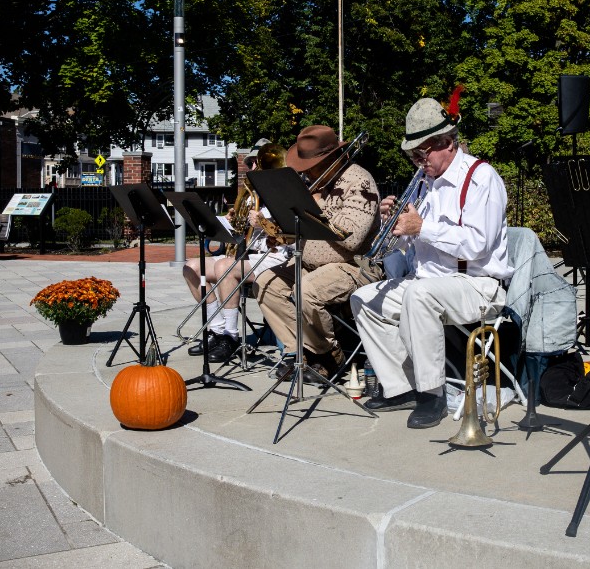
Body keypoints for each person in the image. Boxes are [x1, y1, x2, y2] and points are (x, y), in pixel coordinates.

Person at [350, 96, 512, 429]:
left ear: (447, 143)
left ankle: (432, 393)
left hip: (477, 284)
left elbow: (478, 245)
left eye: (421, 154)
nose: (417, 162)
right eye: (412, 155)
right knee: (364, 300)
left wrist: (422, 227)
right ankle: (402, 387)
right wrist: (394, 224)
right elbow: (410, 244)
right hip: (428, 282)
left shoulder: (481, 178)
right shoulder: (424, 184)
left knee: (418, 295)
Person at [254, 125, 381, 382]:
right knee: (266, 284)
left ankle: (327, 356)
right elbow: (303, 231)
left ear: (331, 159)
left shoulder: (360, 181)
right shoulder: (314, 185)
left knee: (306, 290)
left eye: (311, 166)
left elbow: (352, 239)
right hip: (310, 265)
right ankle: (299, 352)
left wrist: (315, 207)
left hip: (354, 266)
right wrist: (281, 232)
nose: (307, 172)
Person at [182, 139, 290, 361]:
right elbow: (239, 232)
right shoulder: (250, 196)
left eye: (256, 162)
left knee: (225, 267)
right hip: (246, 255)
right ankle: (217, 330)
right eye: (250, 163)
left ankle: (231, 336)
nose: (252, 167)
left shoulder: (281, 194)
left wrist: (263, 223)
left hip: (273, 257)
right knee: (192, 267)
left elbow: (286, 234)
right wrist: (230, 221)